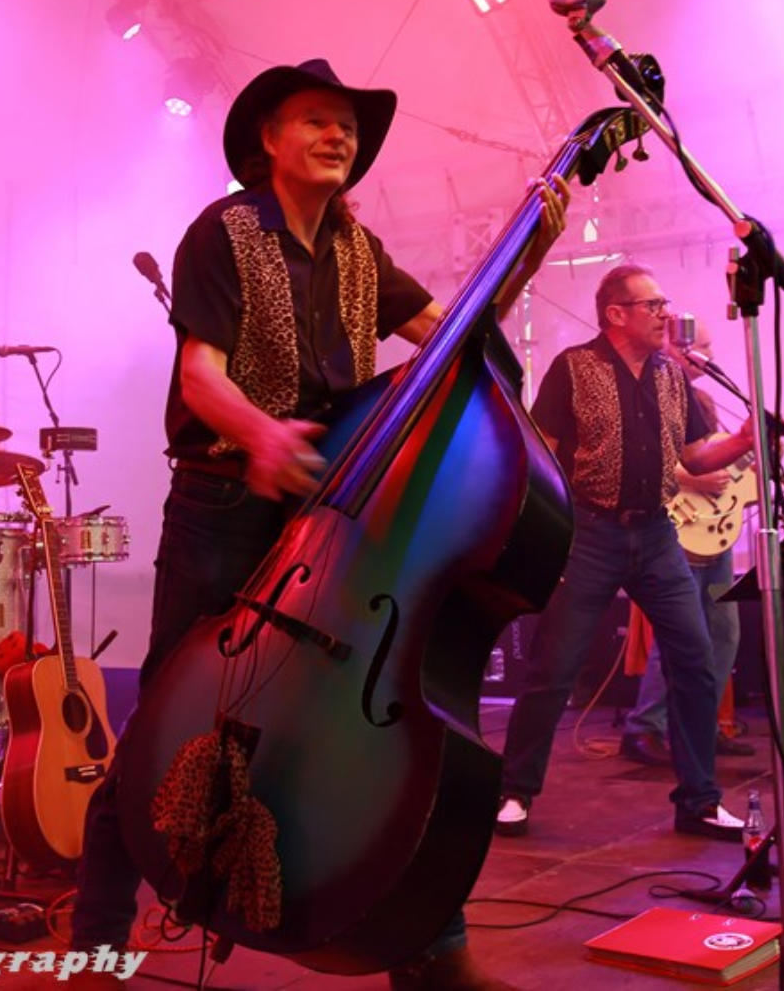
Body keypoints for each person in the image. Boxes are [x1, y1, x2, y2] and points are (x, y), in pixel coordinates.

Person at [68, 58, 568, 990]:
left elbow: (453, 335)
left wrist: (527, 252)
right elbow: (201, 375)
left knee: (374, 725)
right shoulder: (223, 231)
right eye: (316, 119)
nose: (339, 135)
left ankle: (430, 949)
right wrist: (261, 433)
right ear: (269, 138)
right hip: (223, 503)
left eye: (348, 125)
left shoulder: (357, 250)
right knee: (167, 722)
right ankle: (95, 941)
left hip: (325, 506)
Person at [494, 264, 753, 841]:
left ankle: (700, 800)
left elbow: (694, 457)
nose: (665, 314)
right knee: (554, 668)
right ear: (616, 314)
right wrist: (547, 529)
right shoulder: (573, 368)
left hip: (657, 535)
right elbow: (541, 455)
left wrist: (740, 441)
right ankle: (515, 790)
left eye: (664, 303)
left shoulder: (670, 375)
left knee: (695, 659)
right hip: (590, 534)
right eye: (652, 304)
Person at [619, 318, 753, 766]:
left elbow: (720, 463)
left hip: (712, 532)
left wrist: (754, 455)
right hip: (671, 530)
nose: (707, 355)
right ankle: (646, 727)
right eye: (700, 345)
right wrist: (692, 478)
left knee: (724, 632)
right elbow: (635, 458)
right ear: (673, 348)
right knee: (679, 633)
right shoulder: (645, 392)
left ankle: (701, 726)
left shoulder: (705, 401)